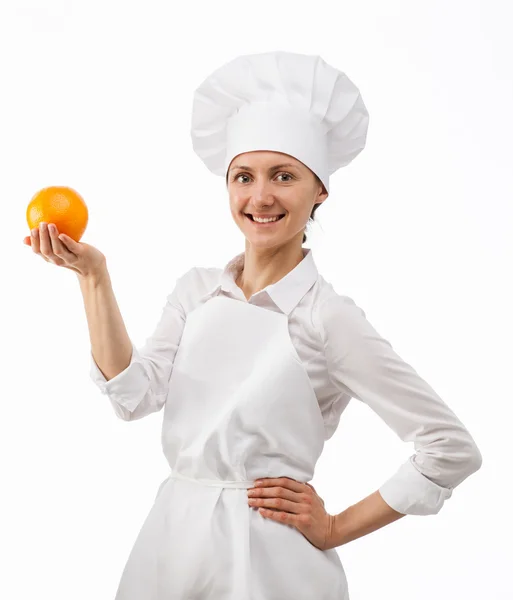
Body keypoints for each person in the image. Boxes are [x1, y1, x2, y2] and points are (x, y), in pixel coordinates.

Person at [24, 51, 483, 599]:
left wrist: (335, 526)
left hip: (270, 564)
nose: (260, 196)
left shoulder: (327, 317)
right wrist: (93, 277)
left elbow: (449, 448)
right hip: (171, 546)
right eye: (244, 176)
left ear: (320, 192)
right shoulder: (195, 291)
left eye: (283, 176)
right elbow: (131, 394)